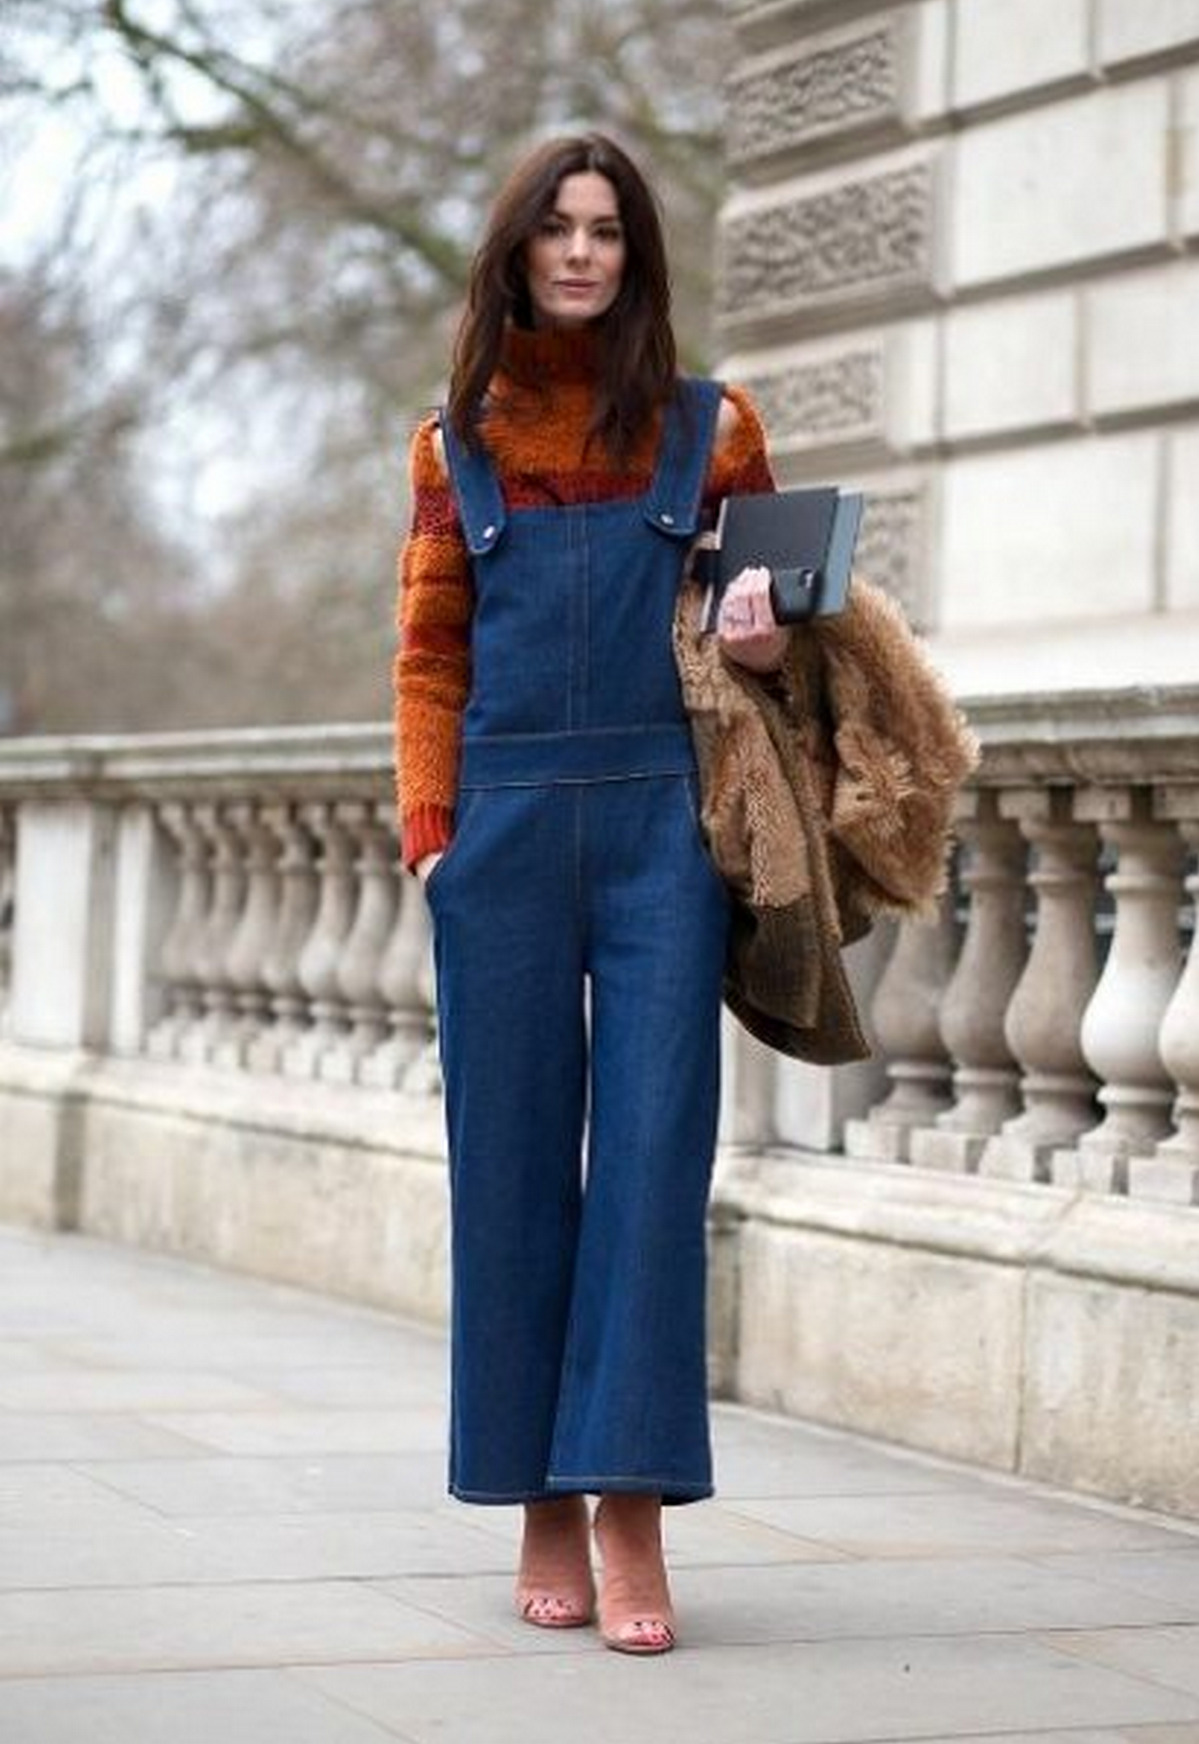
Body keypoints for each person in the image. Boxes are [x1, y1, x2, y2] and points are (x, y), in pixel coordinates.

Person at [392, 132, 784, 1656]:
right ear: (514, 253)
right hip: (496, 835)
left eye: (605, 230)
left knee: (649, 1166)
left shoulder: (713, 428)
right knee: (504, 1167)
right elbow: (430, 652)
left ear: (637, 254)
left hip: (660, 836)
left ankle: (627, 1506)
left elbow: (782, 634)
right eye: (554, 229)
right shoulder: (455, 446)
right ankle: (534, 1499)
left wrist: (760, 637)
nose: (578, 253)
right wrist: (433, 832)